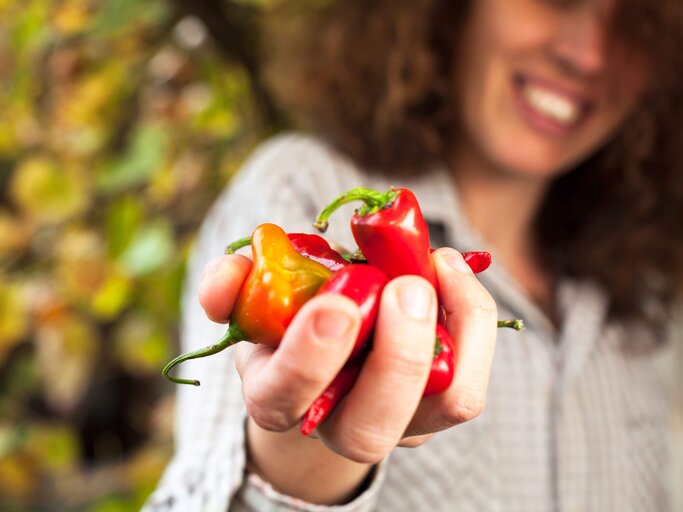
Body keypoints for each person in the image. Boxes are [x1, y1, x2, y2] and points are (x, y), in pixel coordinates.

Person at [146, 0, 683, 510]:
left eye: (638, 25)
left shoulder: (653, 286)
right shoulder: (302, 189)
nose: (586, 54)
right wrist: (295, 464)